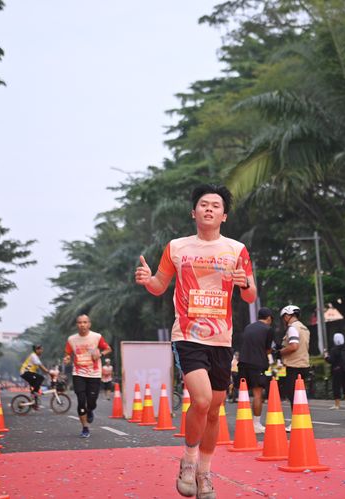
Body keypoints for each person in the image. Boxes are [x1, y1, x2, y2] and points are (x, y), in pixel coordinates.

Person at [135, 184, 256, 499]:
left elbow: (251, 294)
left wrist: (245, 284)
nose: (209, 209)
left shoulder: (237, 250)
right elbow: (160, 285)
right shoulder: (177, 247)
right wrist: (147, 280)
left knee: (214, 411)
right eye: (203, 204)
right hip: (187, 335)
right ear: (194, 212)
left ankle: (205, 472)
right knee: (201, 401)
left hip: (221, 338)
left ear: (224, 215)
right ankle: (188, 462)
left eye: (216, 205)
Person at [64, 314, 112, 438]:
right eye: (80, 322)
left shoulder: (96, 337)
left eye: (85, 322)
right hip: (78, 373)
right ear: (77, 325)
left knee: (92, 402)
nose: (82, 325)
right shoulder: (72, 339)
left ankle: (90, 410)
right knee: (81, 401)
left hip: (94, 374)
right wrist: (67, 358)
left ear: (89, 324)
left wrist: (100, 354)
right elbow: (67, 354)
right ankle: (85, 427)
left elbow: (108, 349)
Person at [237, 307, 274, 433]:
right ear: (268, 318)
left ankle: (243, 421)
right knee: (258, 394)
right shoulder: (268, 329)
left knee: (243, 393)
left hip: (243, 363)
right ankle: (256, 424)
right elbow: (268, 349)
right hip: (257, 364)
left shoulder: (248, 327)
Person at [278, 305, 310, 430]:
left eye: (283, 317)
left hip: (294, 365)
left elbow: (294, 346)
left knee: (293, 396)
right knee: (300, 396)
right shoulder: (304, 328)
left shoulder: (292, 328)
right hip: (304, 364)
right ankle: (302, 421)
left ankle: (296, 423)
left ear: (287, 316)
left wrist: (280, 352)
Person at [325, 333, 345, 410]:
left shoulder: (334, 349)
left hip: (337, 370)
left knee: (336, 387)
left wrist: (326, 357)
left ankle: (337, 405)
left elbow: (331, 360)